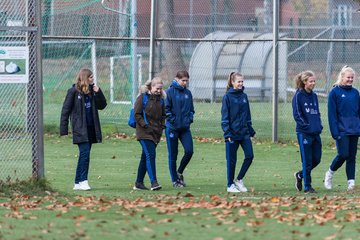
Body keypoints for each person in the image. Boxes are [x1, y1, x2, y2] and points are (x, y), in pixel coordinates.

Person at [60, 68, 107, 190]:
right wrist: (63, 129)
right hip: (80, 129)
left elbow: (102, 106)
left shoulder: (93, 91)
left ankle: (77, 182)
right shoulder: (73, 92)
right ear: (85, 78)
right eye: (90, 77)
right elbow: (65, 111)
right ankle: (83, 180)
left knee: (84, 154)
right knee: (85, 154)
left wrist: (98, 92)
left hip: (91, 128)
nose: (92, 79)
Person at [324, 66, 360, 191]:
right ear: (342, 77)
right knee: (343, 154)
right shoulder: (335, 92)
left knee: (352, 156)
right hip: (341, 130)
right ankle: (329, 173)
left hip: (354, 130)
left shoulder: (356, 93)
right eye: (348, 77)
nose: (350, 79)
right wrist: (335, 132)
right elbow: (332, 114)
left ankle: (351, 183)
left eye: (352, 77)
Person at [221, 72, 256, 193]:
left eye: (242, 81)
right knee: (232, 161)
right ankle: (230, 185)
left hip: (244, 133)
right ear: (232, 82)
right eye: (238, 81)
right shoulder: (227, 97)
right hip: (232, 135)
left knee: (250, 156)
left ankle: (239, 179)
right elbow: (225, 118)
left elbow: (248, 115)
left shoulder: (244, 96)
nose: (241, 83)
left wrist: (251, 131)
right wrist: (228, 133)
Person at [292, 71, 322, 193]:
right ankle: (307, 186)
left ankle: (300, 175)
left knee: (317, 159)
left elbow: (317, 112)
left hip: (315, 132)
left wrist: (318, 125)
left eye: (314, 81)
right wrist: (307, 126)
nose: (313, 83)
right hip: (304, 133)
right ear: (305, 82)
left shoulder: (314, 96)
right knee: (307, 161)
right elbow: (297, 114)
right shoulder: (298, 96)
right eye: (311, 81)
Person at [133, 77, 166, 191]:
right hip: (144, 132)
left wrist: (162, 127)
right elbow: (137, 114)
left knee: (145, 157)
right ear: (151, 87)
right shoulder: (142, 98)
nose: (159, 91)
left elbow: (163, 116)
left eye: (161, 89)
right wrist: (145, 125)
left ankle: (138, 183)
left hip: (155, 132)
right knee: (150, 155)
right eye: (157, 88)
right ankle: (154, 182)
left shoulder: (161, 100)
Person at [165, 70, 195, 188]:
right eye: (183, 80)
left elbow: (192, 110)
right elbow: (166, 110)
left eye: (186, 81)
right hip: (172, 128)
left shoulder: (188, 93)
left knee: (189, 151)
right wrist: (173, 121)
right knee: (173, 155)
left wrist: (189, 119)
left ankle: (179, 172)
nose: (185, 83)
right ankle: (174, 180)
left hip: (185, 128)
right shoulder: (169, 92)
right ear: (177, 79)